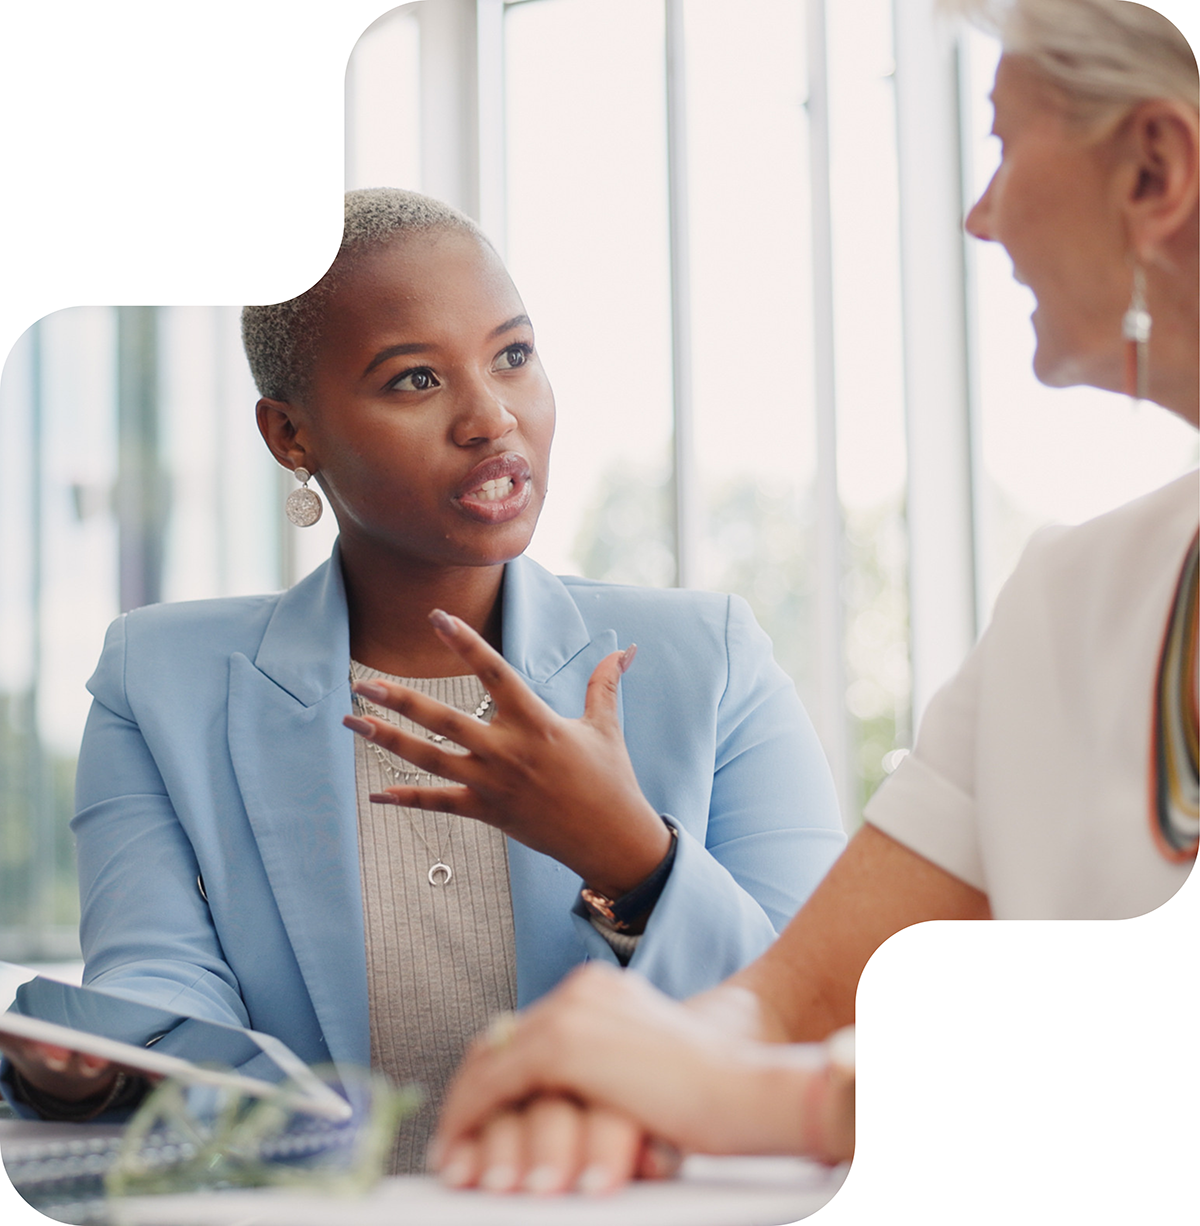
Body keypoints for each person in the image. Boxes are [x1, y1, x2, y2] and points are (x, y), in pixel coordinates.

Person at [354, 0, 1196, 1195]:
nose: (980, 213)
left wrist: (776, 1095)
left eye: (1004, 145)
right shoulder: (1066, 600)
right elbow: (792, 998)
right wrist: (627, 1067)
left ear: (1156, 169)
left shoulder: (718, 653)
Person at [0, 189, 845, 1171]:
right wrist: (92, 1066)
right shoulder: (159, 683)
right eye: (414, 380)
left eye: (514, 355)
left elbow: (819, 1021)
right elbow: (162, 979)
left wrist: (635, 859)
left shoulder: (710, 661)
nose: (491, 417)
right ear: (290, 435)